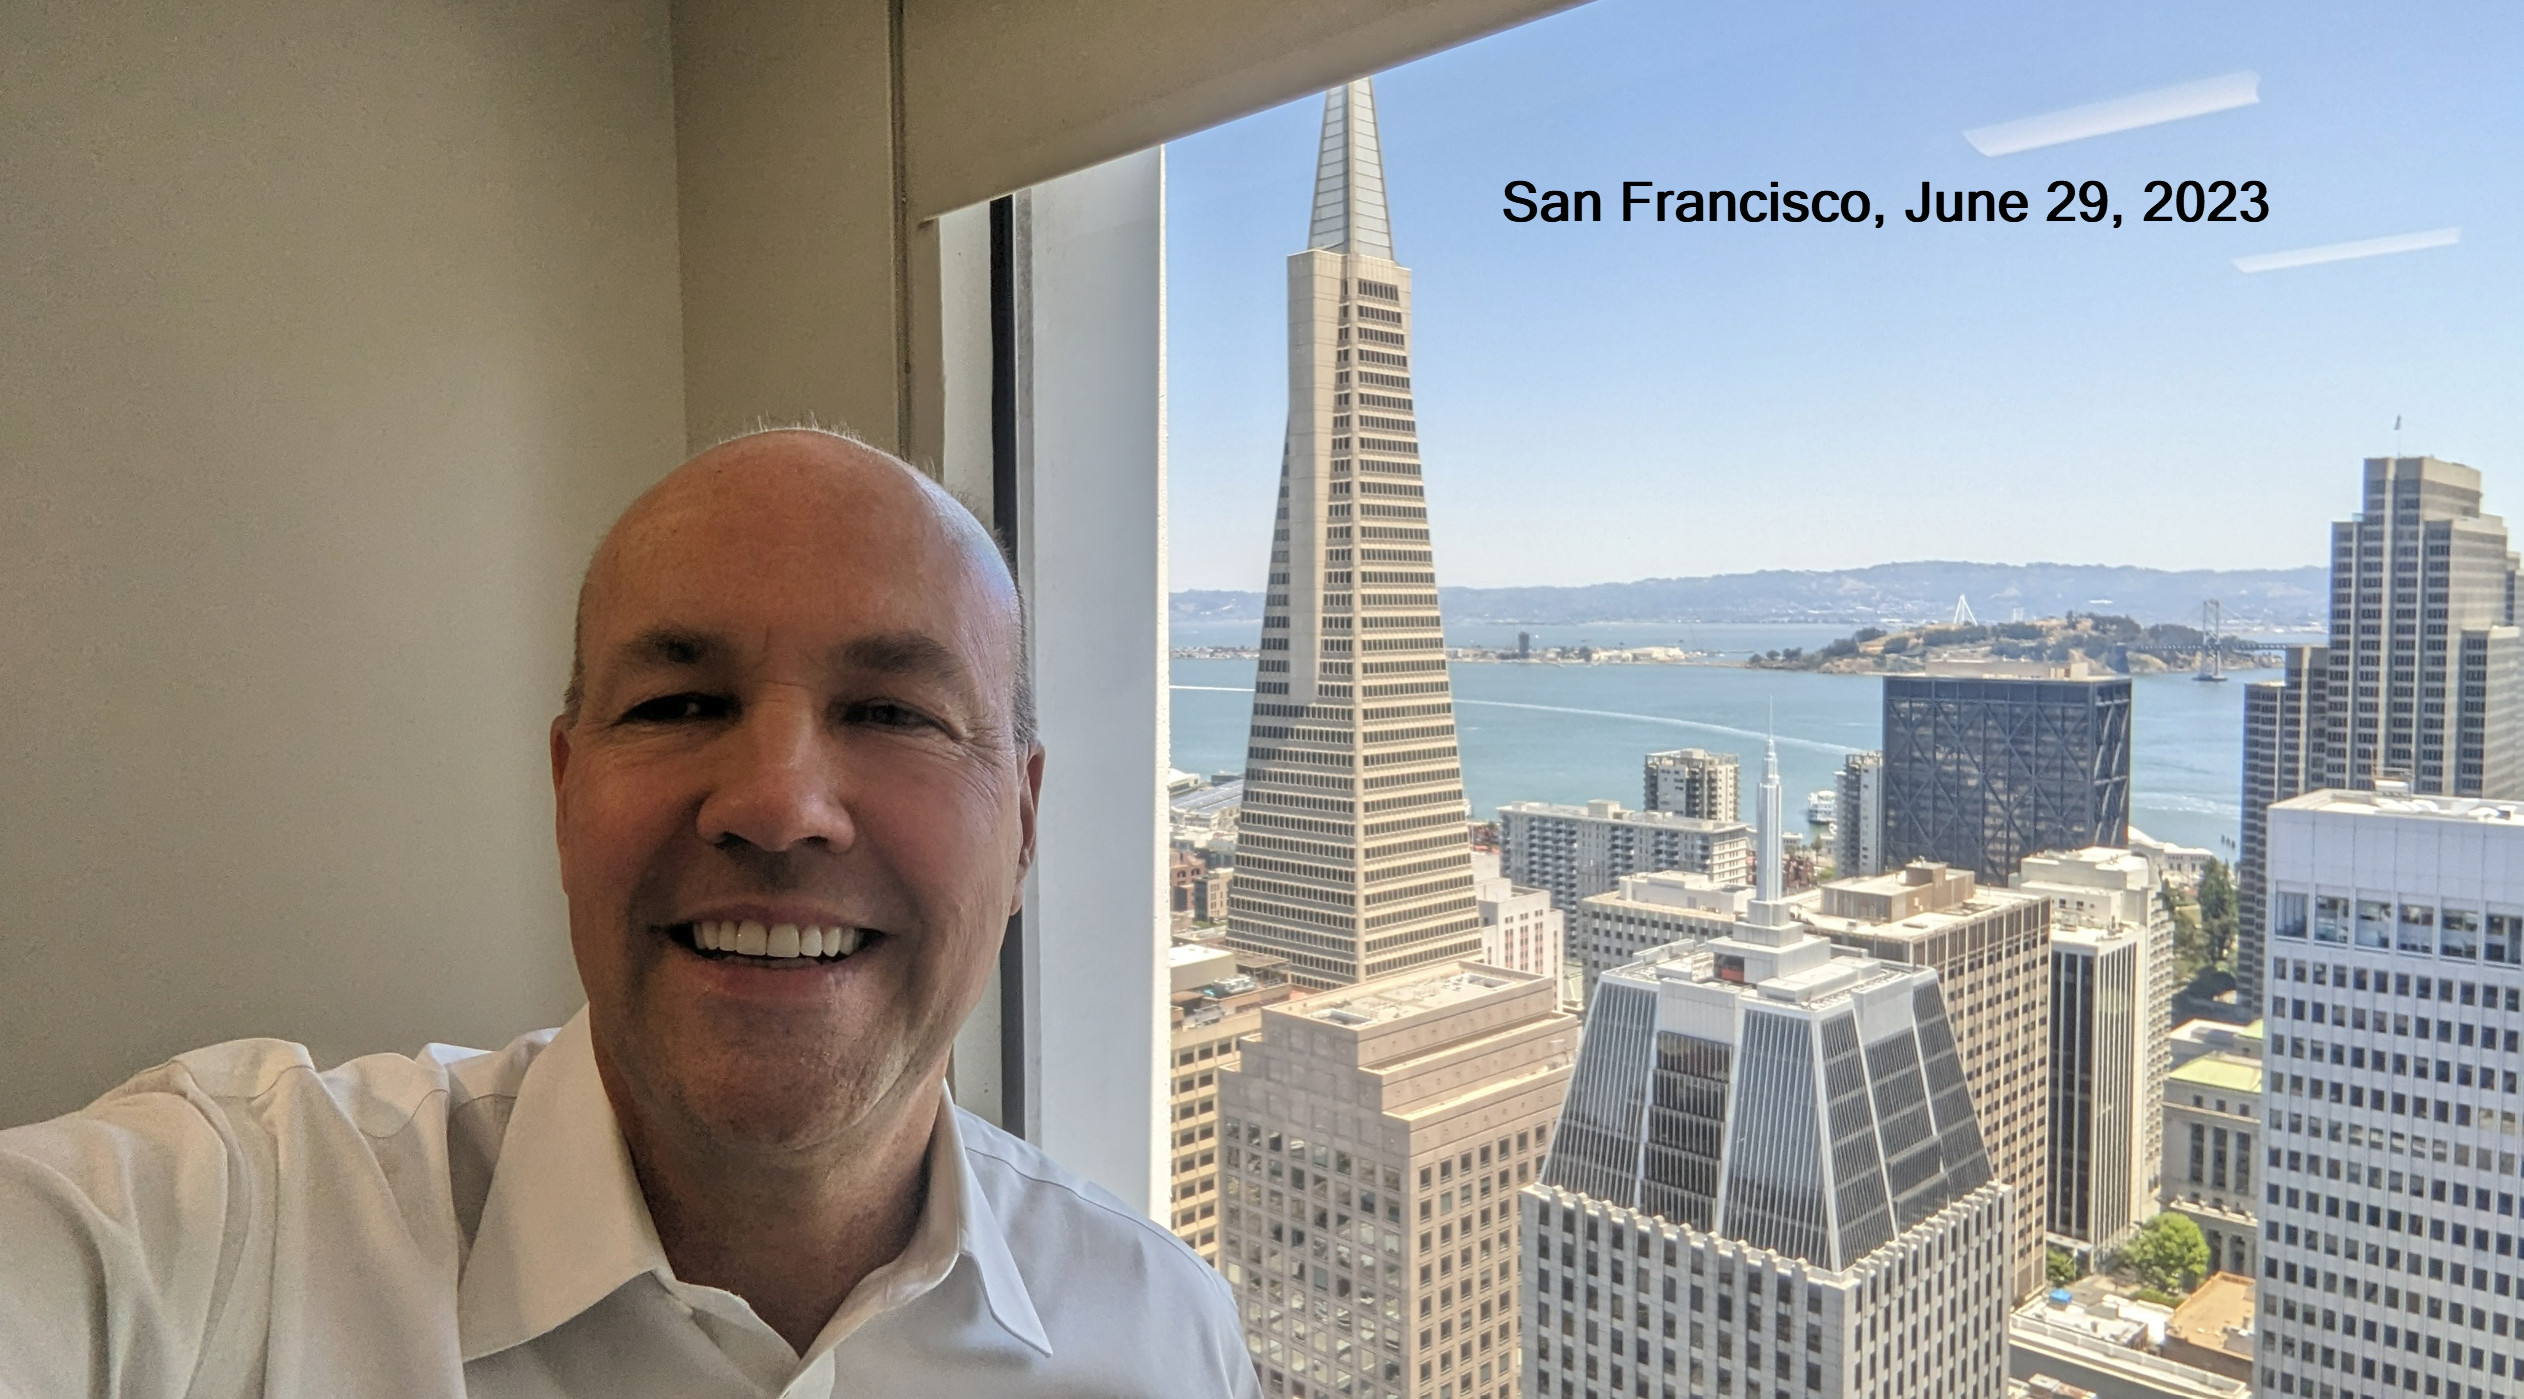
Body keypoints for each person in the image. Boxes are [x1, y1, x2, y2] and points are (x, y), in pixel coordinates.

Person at [0, 429, 1262, 1398]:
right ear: (565, 793)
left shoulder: (1166, 1340)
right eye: (677, 706)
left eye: (892, 713)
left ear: (1024, 824)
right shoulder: (228, 1235)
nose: (776, 804)